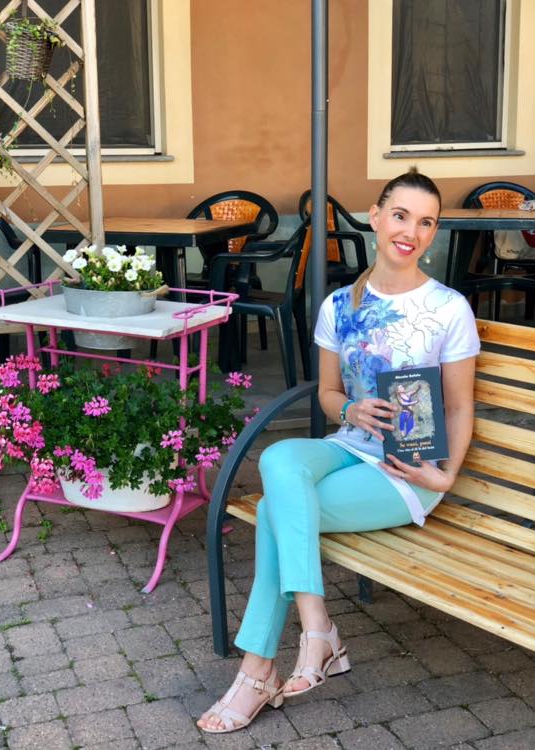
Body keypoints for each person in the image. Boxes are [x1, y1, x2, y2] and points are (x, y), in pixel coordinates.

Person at [197, 168, 480, 734]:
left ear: (433, 233)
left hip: (405, 470)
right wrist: (350, 410)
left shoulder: (449, 308)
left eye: (426, 222)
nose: (411, 232)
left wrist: (445, 476)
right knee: (278, 460)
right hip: (350, 446)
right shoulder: (337, 306)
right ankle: (316, 626)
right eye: (400, 215)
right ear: (374, 218)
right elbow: (328, 394)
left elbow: (457, 406)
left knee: (277, 510)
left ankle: (259, 671)